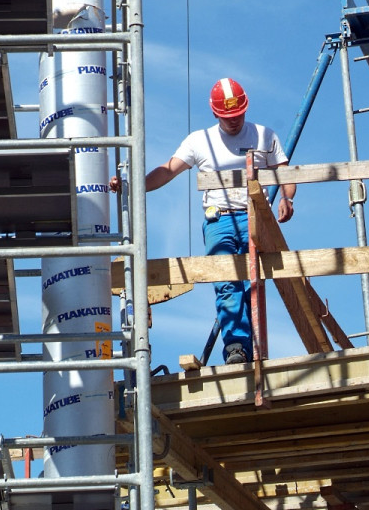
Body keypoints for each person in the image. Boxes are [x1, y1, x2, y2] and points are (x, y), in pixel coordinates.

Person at [124, 77, 296, 364]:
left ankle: (256, 348)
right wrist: (134, 186)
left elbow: (285, 170)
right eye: (228, 116)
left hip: (257, 217)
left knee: (255, 282)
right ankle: (237, 348)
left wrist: (287, 198)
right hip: (220, 222)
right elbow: (167, 170)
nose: (234, 121)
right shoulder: (199, 141)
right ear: (215, 113)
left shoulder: (264, 136)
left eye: (238, 114)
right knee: (227, 282)